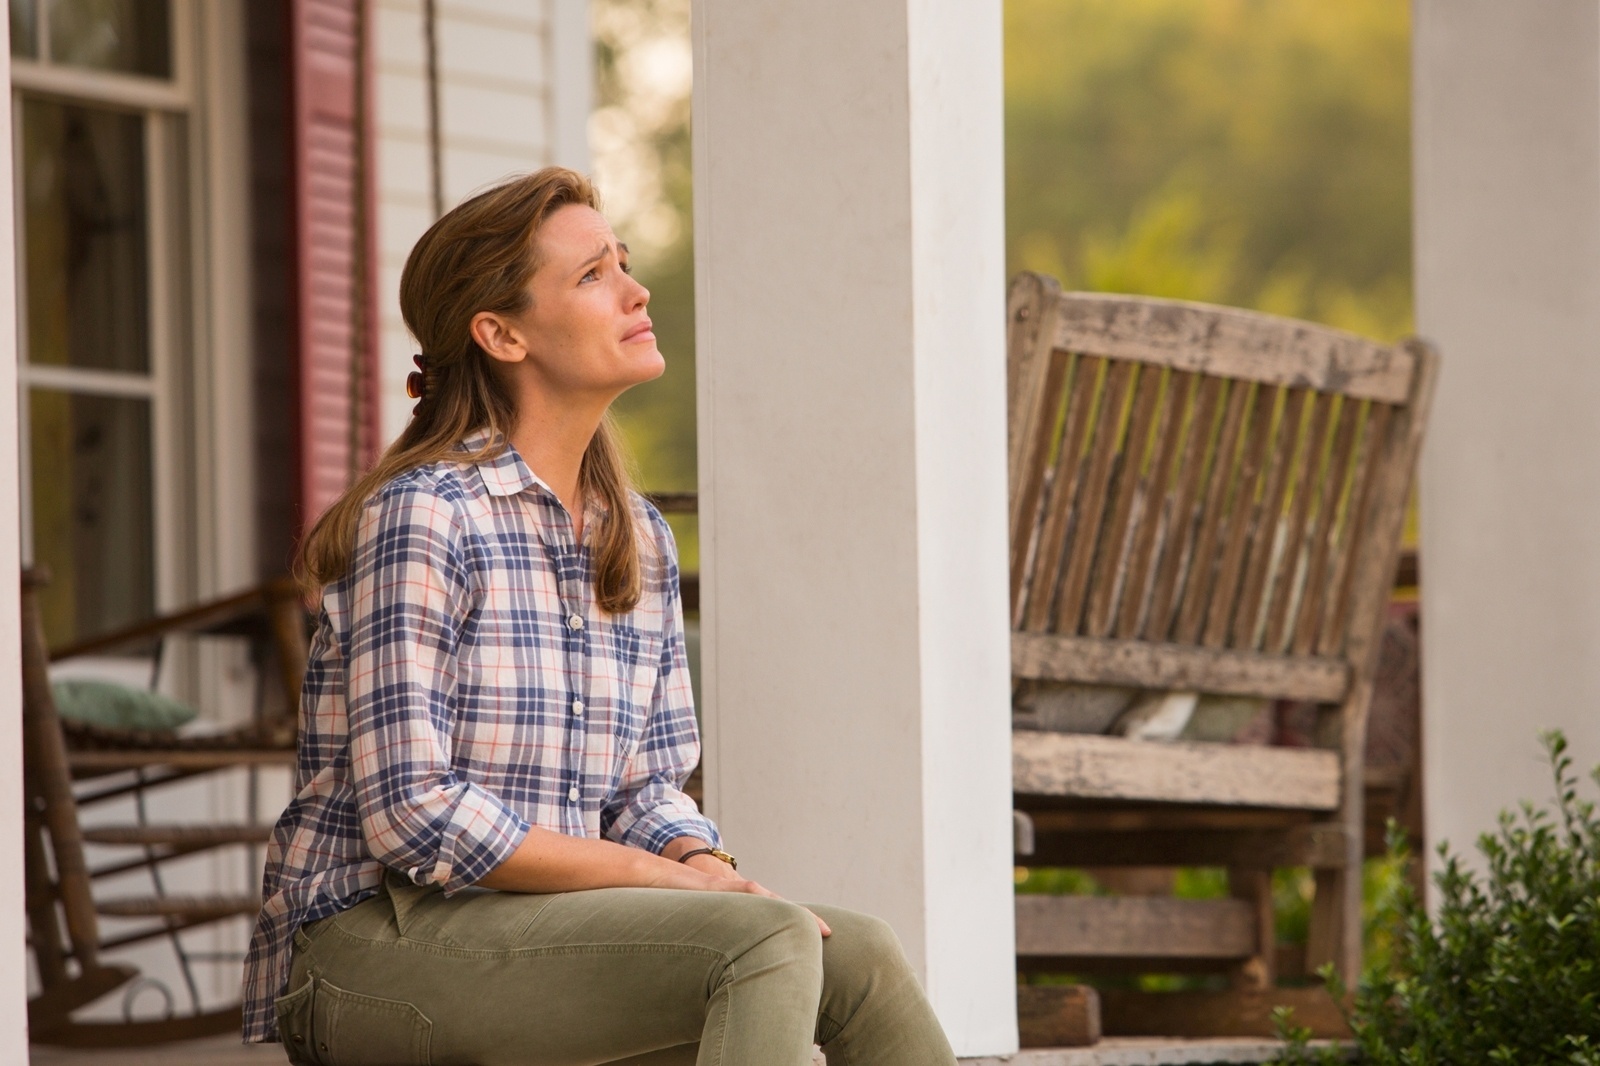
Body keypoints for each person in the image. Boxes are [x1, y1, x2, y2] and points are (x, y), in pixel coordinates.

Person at [242, 167, 958, 1066]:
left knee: (861, 958)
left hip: (540, 931)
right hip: (369, 944)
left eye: (620, 261)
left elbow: (645, 789)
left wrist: (704, 868)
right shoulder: (427, 514)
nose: (634, 286)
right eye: (591, 275)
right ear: (501, 333)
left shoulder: (638, 536)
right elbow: (413, 816)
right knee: (763, 943)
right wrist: (661, 880)